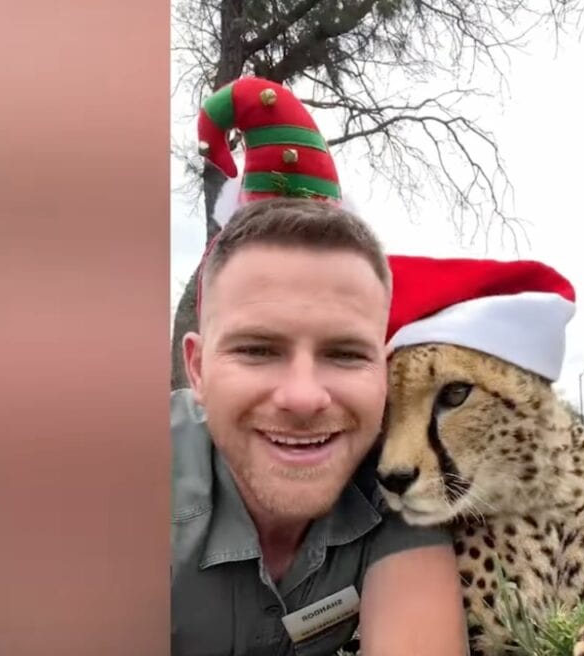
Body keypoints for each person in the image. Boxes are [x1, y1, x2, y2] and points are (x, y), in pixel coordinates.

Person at [171, 77, 467, 656]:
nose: (304, 397)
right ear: (198, 369)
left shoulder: (396, 481)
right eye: (257, 349)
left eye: (343, 353)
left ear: (383, 374)